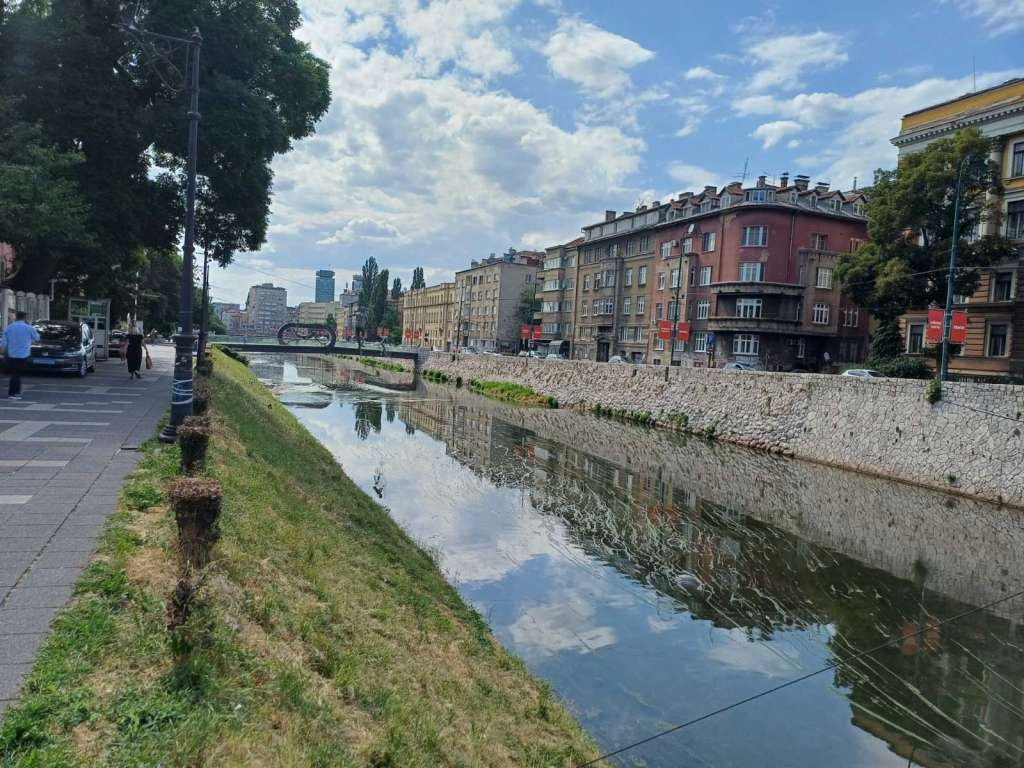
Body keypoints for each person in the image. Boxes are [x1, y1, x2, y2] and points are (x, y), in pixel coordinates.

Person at [2, 311, 40, 400]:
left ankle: (15, 392)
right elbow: (37, 338)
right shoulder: (28, 328)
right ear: (24, 318)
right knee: (16, 374)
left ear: (16, 317)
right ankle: (13, 393)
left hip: (11, 354)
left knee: (15, 373)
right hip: (23, 355)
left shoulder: (9, 328)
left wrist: (2, 354)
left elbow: (3, 343)